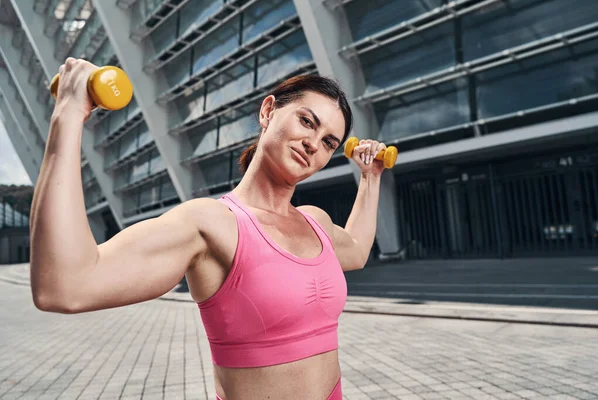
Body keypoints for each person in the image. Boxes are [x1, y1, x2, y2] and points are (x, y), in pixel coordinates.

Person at [29, 58, 388, 400]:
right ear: (268, 111)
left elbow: (356, 250)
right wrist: (69, 113)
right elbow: (64, 287)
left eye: (328, 142)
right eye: (307, 122)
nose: (313, 143)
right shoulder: (211, 224)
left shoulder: (316, 221)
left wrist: (370, 178)